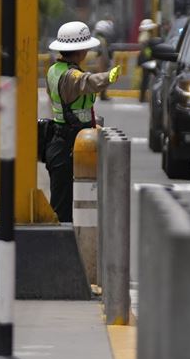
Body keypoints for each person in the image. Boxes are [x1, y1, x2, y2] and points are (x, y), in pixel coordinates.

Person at [43, 21, 120, 222]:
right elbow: (88, 82)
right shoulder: (71, 76)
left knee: (70, 203)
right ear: (80, 51)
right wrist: (110, 76)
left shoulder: (54, 70)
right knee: (64, 211)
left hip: (63, 142)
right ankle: (62, 250)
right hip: (68, 145)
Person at [136, 18, 160, 105]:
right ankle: (143, 97)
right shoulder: (146, 36)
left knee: (145, 78)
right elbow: (147, 50)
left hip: (145, 59)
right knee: (151, 77)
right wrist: (151, 57)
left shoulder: (144, 35)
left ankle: (142, 97)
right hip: (147, 60)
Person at [91, 19, 114, 101]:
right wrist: (108, 61)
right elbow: (104, 51)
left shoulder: (97, 38)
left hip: (99, 58)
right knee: (104, 78)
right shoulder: (102, 40)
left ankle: (102, 94)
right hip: (102, 59)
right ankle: (103, 95)